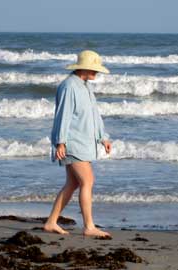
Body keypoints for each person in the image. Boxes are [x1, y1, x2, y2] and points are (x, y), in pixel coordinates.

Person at [44, 50, 112, 238]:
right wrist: (60, 142)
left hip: (83, 143)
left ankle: (51, 222)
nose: (97, 73)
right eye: (94, 69)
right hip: (72, 143)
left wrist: (103, 137)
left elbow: (94, 115)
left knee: (73, 183)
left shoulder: (86, 86)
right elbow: (63, 116)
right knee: (88, 181)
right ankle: (89, 226)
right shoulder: (69, 87)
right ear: (84, 67)